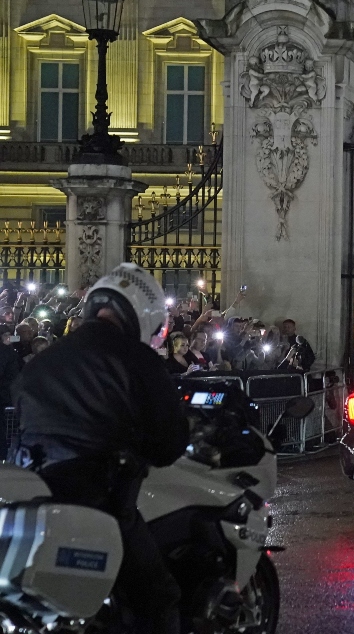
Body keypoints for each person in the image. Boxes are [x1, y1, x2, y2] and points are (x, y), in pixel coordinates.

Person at [7, 263, 189, 634]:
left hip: (39, 499)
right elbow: (168, 443)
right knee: (157, 597)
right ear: (144, 313)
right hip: (102, 498)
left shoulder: (44, 360)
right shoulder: (137, 360)